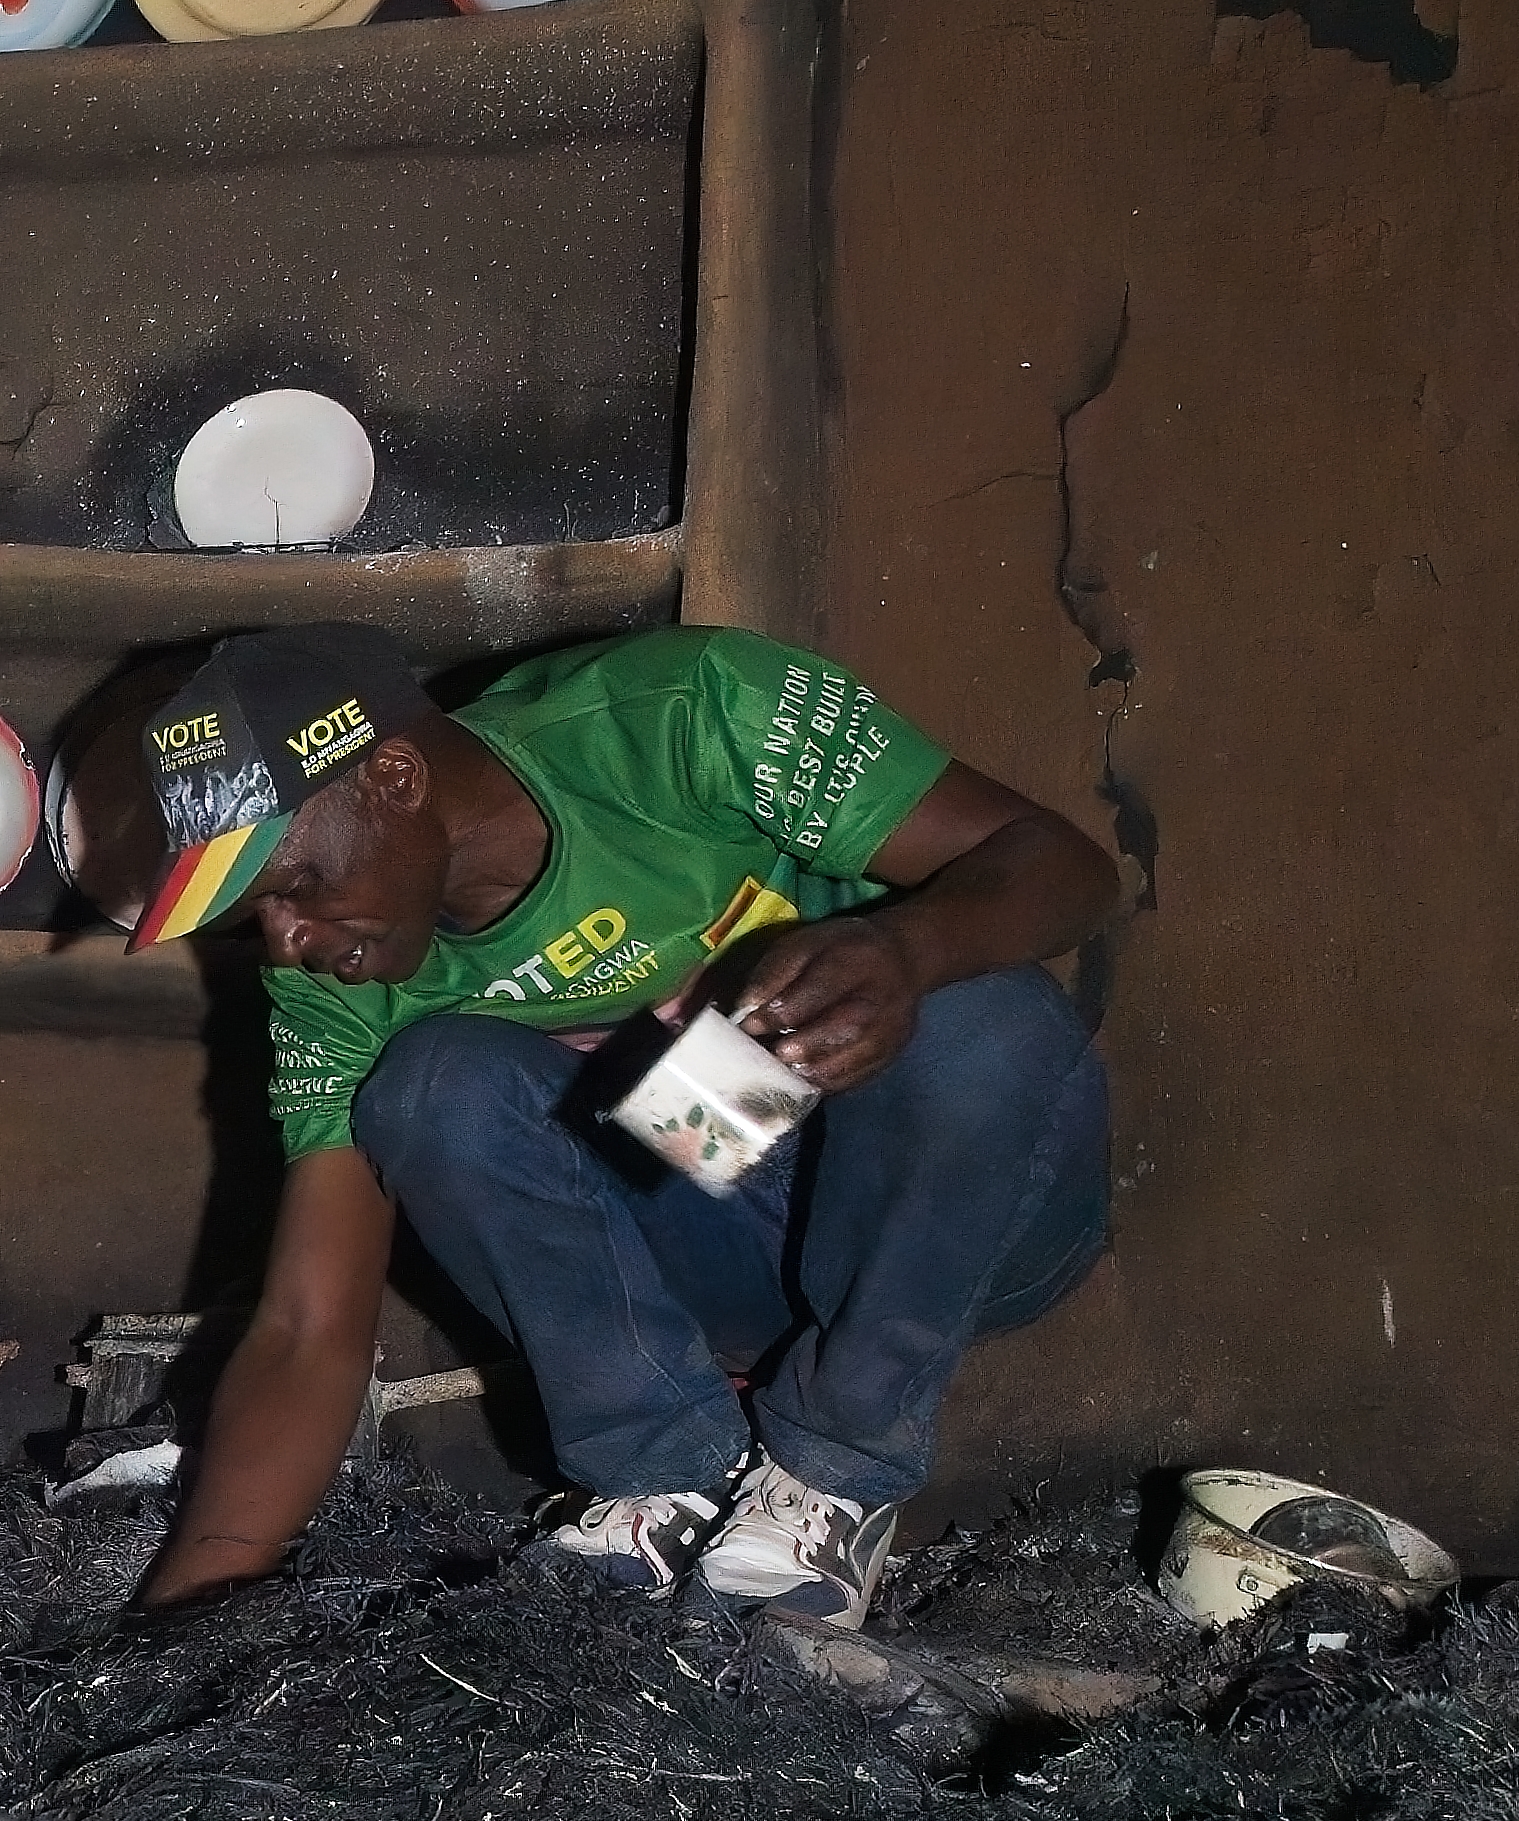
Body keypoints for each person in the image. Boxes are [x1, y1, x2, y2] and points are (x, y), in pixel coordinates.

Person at [54, 623, 1122, 1625]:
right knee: (431, 1083)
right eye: (257, 918)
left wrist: (908, 950)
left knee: (978, 1009)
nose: (289, 941)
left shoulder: (685, 718)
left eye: (295, 884)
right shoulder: (337, 986)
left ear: (391, 776)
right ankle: (667, 1482)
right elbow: (303, 1325)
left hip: (958, 1208)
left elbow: (1064, 866)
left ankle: (829, 1479)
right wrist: (180, 1626)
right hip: (723, 1209)